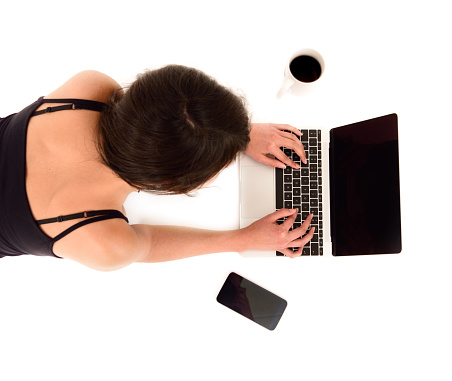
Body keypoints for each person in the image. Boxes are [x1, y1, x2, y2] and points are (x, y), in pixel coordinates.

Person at [0, 65, 314, 271]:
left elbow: (157, 114)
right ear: (175, 184)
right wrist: (241, 240)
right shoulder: (104, 242)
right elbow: (147, 242)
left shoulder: (88, 90)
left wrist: (227, 134)